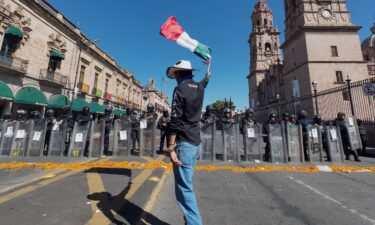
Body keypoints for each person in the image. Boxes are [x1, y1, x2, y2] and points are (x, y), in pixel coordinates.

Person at [166, 60, 210, 225]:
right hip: (195, 143)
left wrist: (170, 148)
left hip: (184, 144)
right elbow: (204, 83)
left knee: (184, 189)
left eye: (175, 74)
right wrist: (207, 76)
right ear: (190, 73)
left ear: (178, 74)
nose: (175, 78)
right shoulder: (199, 87)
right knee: (187, 183)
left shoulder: (180, 89)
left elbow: (175, 119)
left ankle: (194, 223)